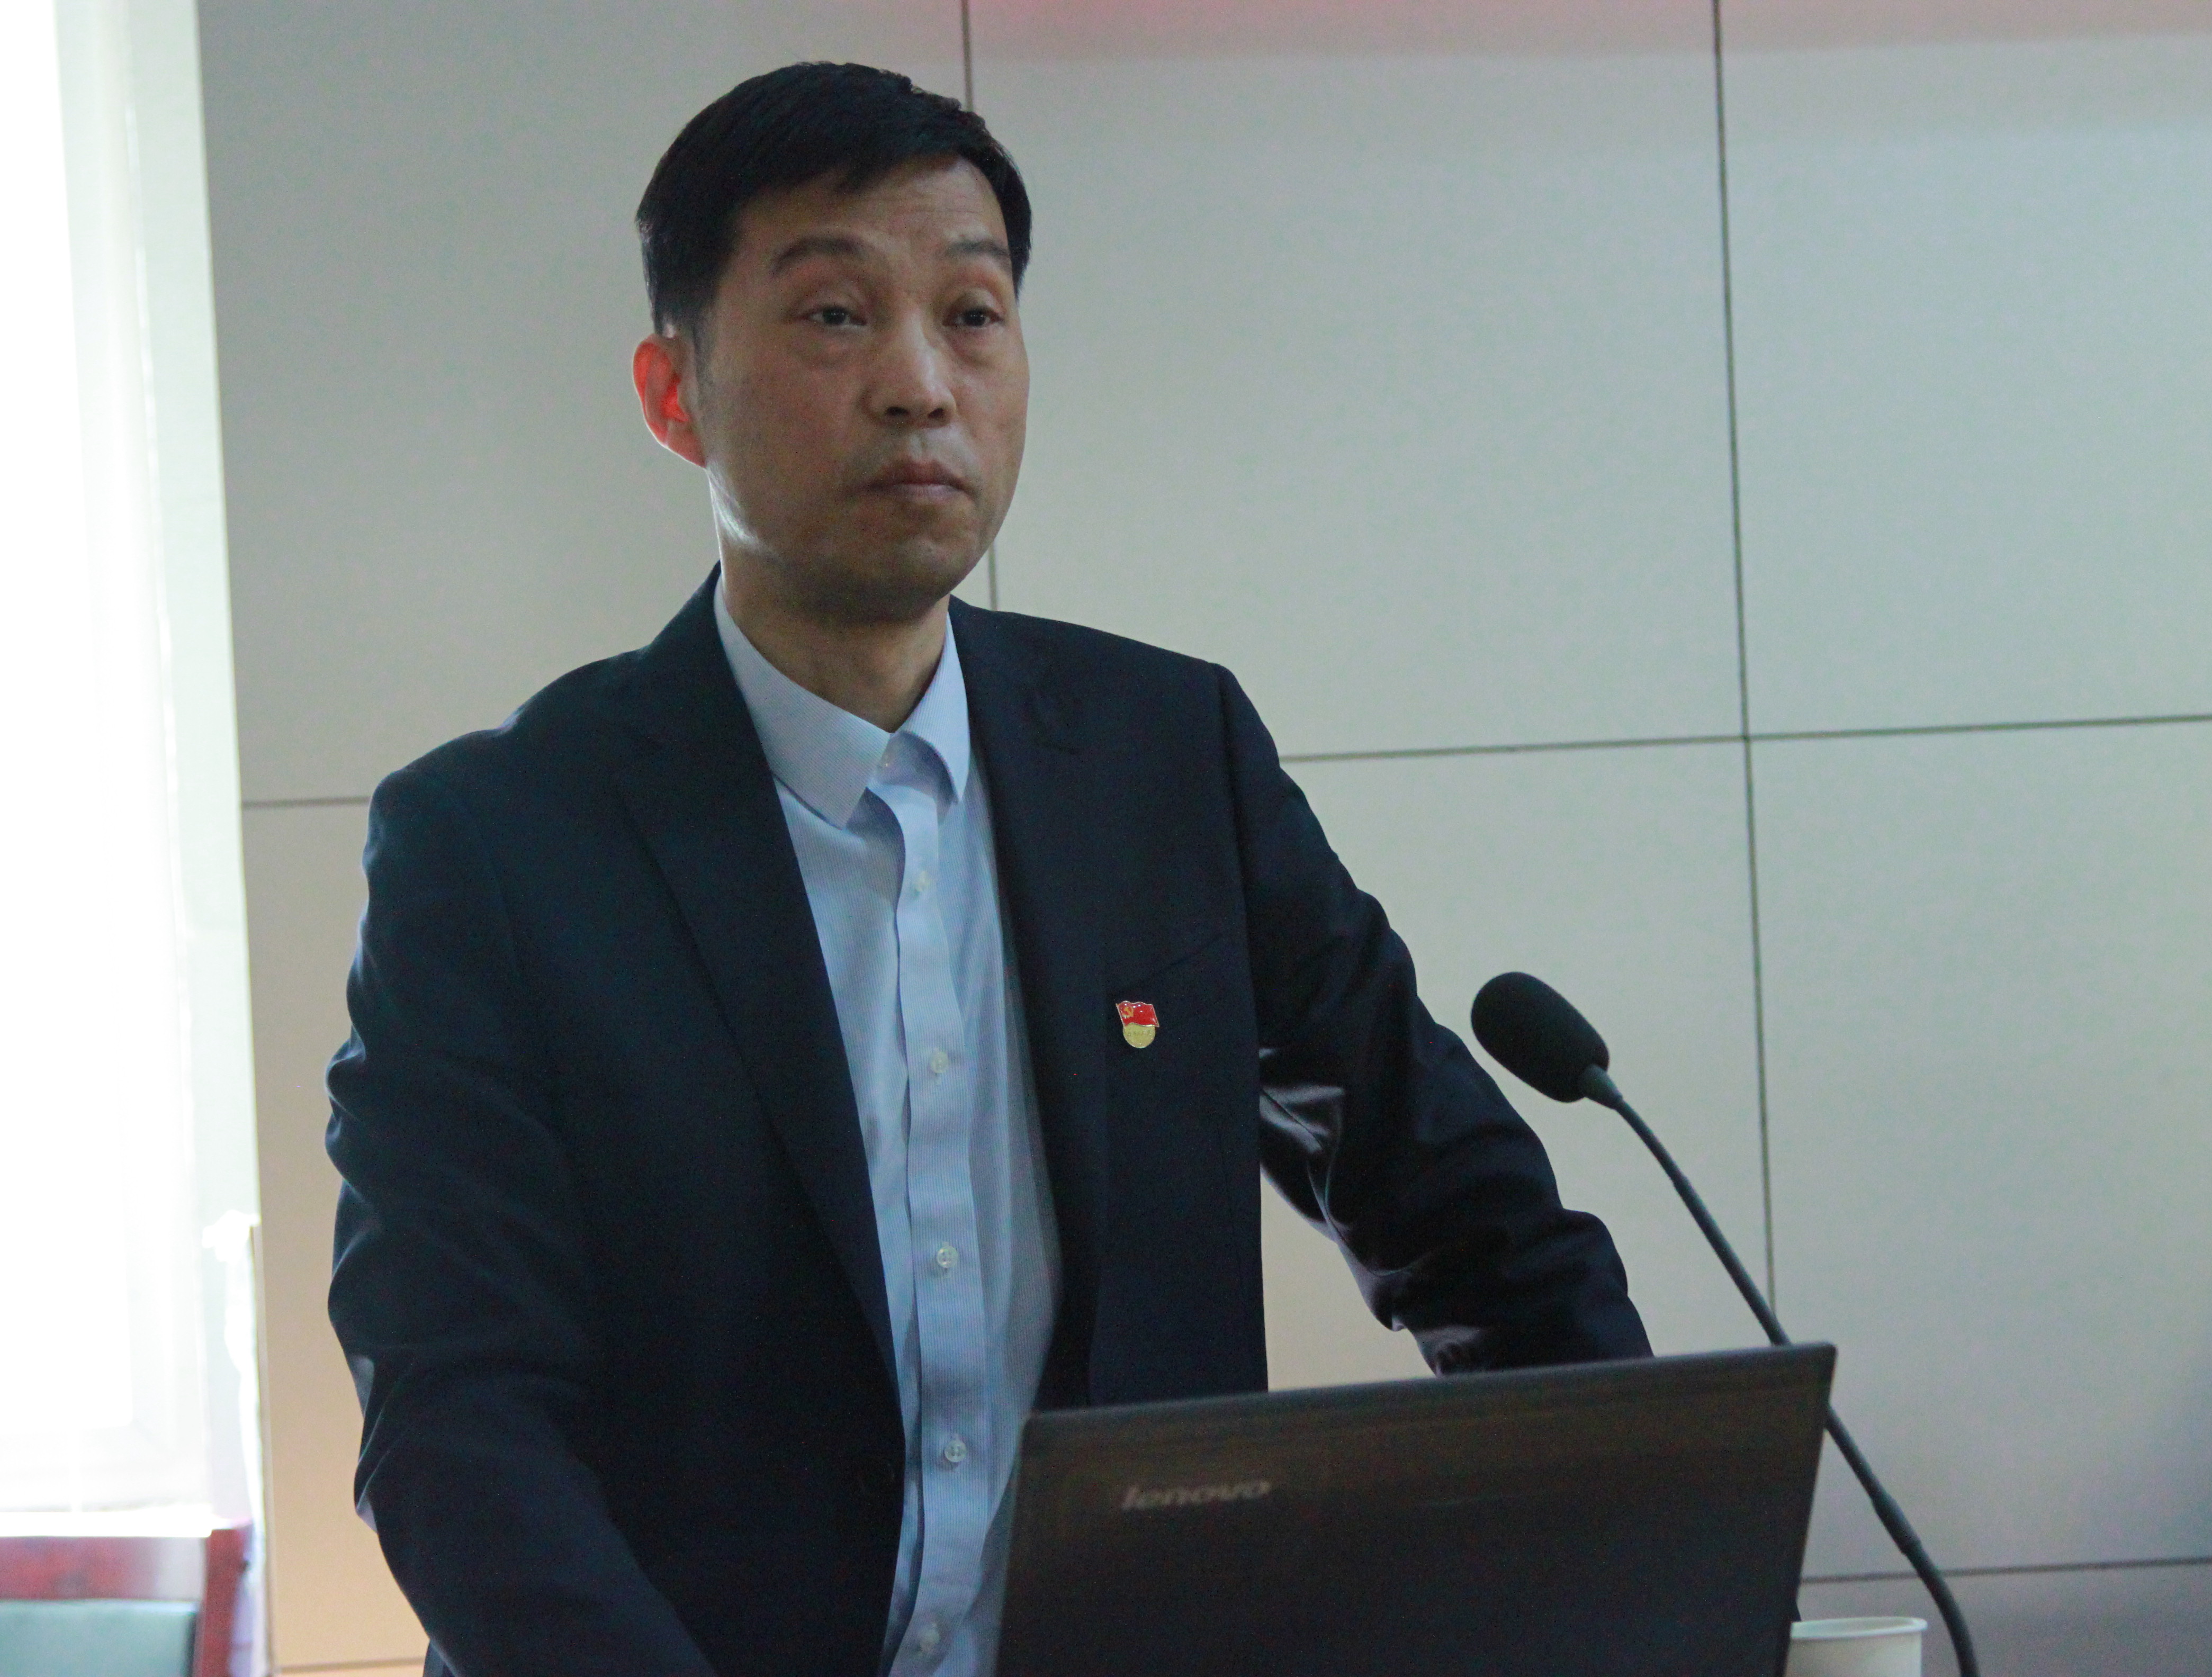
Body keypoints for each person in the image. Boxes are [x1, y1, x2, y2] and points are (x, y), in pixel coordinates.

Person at [326, 60, 1649, 1677]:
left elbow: (1471, 1223)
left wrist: (1633, 1568)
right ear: (676, 396)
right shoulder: (499, 847)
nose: (919, 385)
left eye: (971, 315)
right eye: (834, 316)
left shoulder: (1171, 762)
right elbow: (458, 1424)